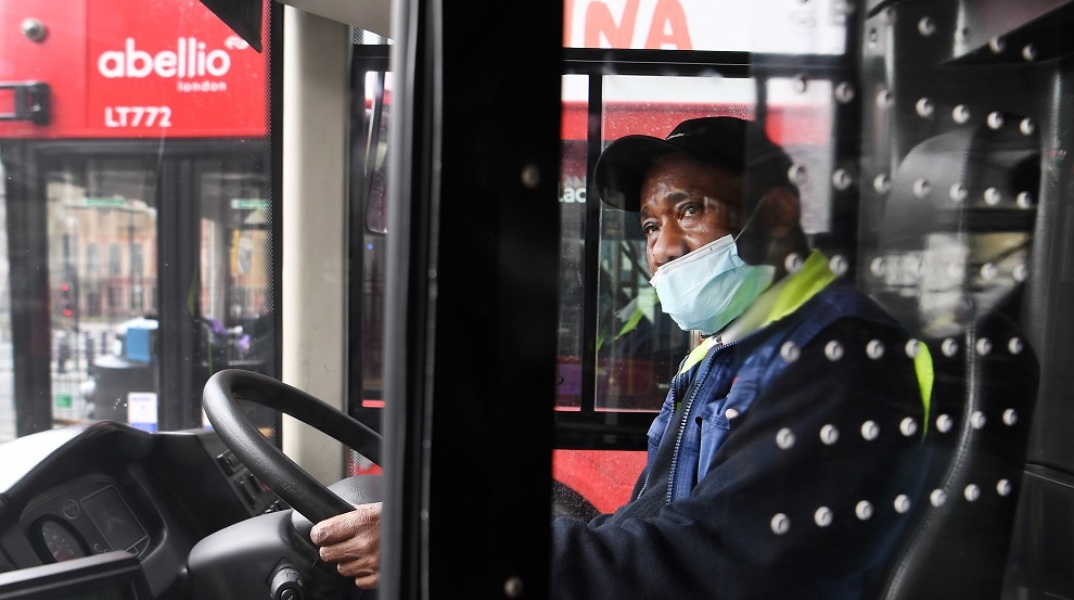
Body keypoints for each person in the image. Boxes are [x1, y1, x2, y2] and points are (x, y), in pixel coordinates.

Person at [311, 116, 932, 598]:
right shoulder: (722, 353)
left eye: (689, 210)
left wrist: (461, 549)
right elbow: (655, 522)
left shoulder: (836, 352)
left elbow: (713, 563)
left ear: (775, 215)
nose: (661, 249)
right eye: (648, 226)